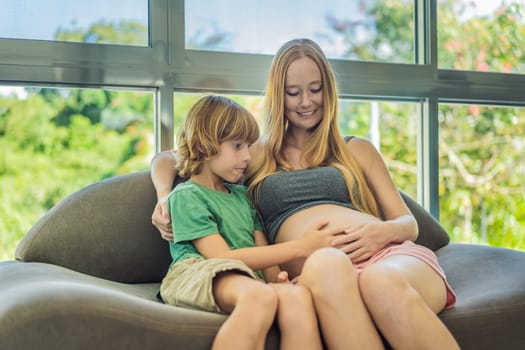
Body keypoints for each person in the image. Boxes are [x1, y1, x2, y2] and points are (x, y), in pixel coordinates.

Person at [152, 39, 459, 350]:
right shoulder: (253, 154)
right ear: (278, 95)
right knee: (328, 263)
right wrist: (165, 196)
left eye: (315, 89)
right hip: (324, 272)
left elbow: (409, 224)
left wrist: (381, 232)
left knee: (379, 282)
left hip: (391, 260)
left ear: (328, 90)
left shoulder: (357, 149)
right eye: (293, 92)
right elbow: (167, 158)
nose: (306, 102)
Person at [159, 94, 343, 350]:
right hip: (198, 270)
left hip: (244, 275)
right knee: (259, 296)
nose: (247, 156)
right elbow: (221, 258)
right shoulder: (187, 196)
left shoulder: (243, 197)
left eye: (248, 146)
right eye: (237, 146)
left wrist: (278, 278)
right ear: (203, 146)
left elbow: (262, 254)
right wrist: (302, 246)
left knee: (297, 298)